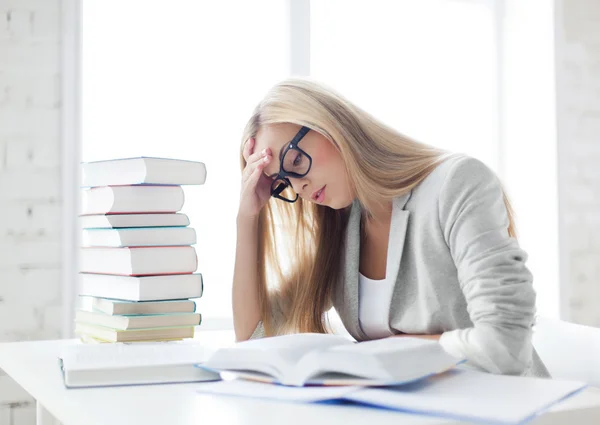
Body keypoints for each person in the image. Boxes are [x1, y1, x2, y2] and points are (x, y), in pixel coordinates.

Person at [232, 77, 549, 377]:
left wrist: (382, 352)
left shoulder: (456, 183)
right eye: (282, 182)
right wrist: (247, 218)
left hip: (507, 409)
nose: (299, 186)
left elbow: (506, 346)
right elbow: (255, 337)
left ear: (331, 125)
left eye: (296, 161)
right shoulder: (342, 228)